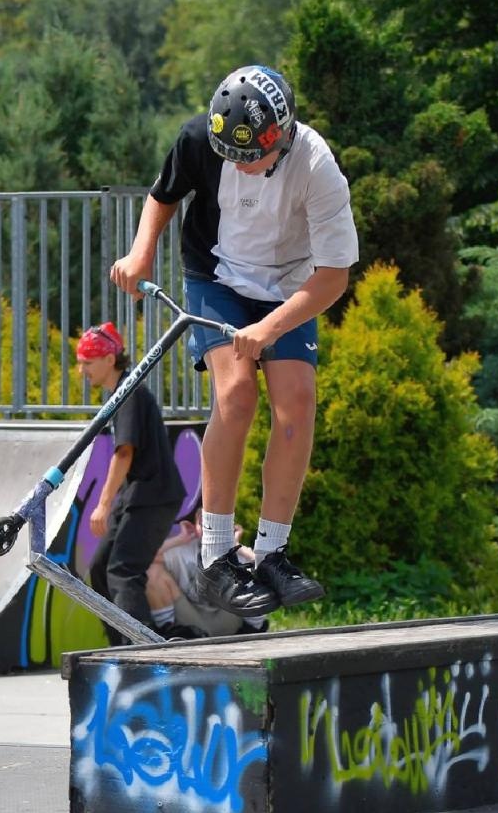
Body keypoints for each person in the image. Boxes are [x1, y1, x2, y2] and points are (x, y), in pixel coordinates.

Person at [109, 64, 358, 620]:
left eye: (254, 158)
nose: (243, 167)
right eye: (233, 157)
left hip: (292, 289)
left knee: (295, 407)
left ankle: (272, 553)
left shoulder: (319, 167)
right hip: (216, 278)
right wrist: (141, 251)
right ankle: (218, 554)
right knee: (237, 393)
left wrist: (270, 329)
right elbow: (163, 194)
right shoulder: (201, 137)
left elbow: (334, 276)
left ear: (284, 134)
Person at [76, 321, 194, 642]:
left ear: (108, 360)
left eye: (87, 362)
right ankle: (121, 645)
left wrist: (102, 504)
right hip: (135, 497)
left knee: (123, 571)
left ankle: (140, 649)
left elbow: (124, 452)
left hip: (153, 495)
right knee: (101, 569)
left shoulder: (130, 393)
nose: (81, 370)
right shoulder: (122, 393)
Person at [146, 519, 267, 637]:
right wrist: (179, 539)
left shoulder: (239, 554)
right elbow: (145, 560)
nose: (211, 530)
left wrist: (236, 545)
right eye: (205, 523)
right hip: (189, 622)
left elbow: (267, 567)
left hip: (230, 619)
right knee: (153, 571)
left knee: (262, 575)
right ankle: (168, 632)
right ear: (196, 525)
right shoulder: (182, 550)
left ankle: (252, 633)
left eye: (218, 523)